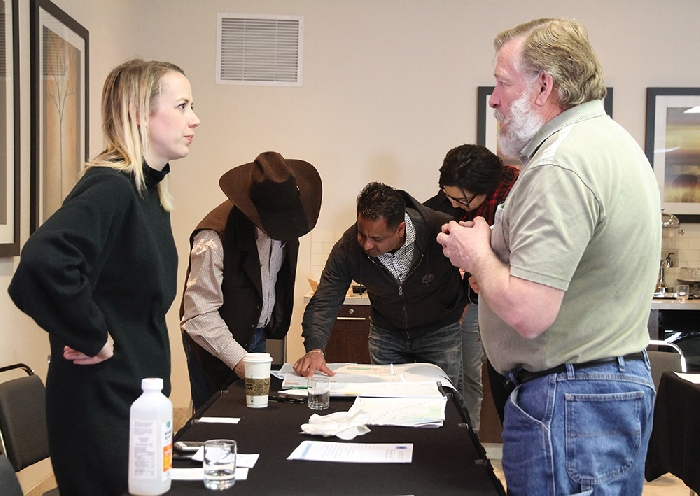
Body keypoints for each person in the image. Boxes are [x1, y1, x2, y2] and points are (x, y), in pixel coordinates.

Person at [436, 18, 660, 494]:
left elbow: (529, 311)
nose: (493, 99)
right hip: (599, 395)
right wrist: (494, 257)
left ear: (544, 87)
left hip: (572, 401)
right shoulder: (607, 142)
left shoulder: (560, 164)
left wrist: (478, 254)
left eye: (501, 82)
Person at [7, 59, 200, 495]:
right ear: (138, 113)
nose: (194, 119)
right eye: (183, 105)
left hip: (135, 403)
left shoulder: (148, 192)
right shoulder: (112, 186)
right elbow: (43, 259)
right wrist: (91, 333)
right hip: (100, 410)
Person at [294, 182, 468, 396]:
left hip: (439, 333)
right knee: (386, 401)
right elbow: (325, 300)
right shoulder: (348, 248)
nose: (366, 245)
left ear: (400, 229)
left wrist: (466, 302)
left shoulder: (439, 231)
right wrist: (315, 349)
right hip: (387, 334)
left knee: (445, 401)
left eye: (377, 239)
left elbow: (474, 269)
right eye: (361, 233)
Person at [180, 151, 322, 410]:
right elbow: (198, 315)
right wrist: (238, 359)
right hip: (214, 341)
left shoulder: (285, 223)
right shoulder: (213, 239)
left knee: (256, 416)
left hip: (256, 334)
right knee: (215, 415)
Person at [426, 144, 519, 433]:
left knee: (499, 387)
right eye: (448, 196)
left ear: (481, 188)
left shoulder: (516, 203)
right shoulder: (461, 205)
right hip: (478, 304)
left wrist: (483, 268)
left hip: (514, 313)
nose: (454, 205)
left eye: (460, 199)